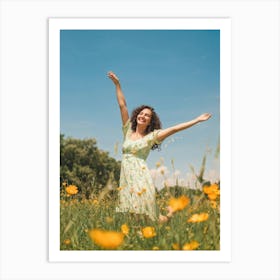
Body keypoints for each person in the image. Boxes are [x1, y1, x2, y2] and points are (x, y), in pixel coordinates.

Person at [107, 71, 212, 222]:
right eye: (141, 113)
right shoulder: (128, 130)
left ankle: (164, 219)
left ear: (150, 121)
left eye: (147, 115)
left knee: (146, 216)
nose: (143, 116)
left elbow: (174, 129)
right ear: (137, 115)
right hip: (126, 177)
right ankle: (167, 216)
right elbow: (122, 106)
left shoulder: (152, 137)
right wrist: (117, 85)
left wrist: (197, 120)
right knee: (135, 215)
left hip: (140, 176)